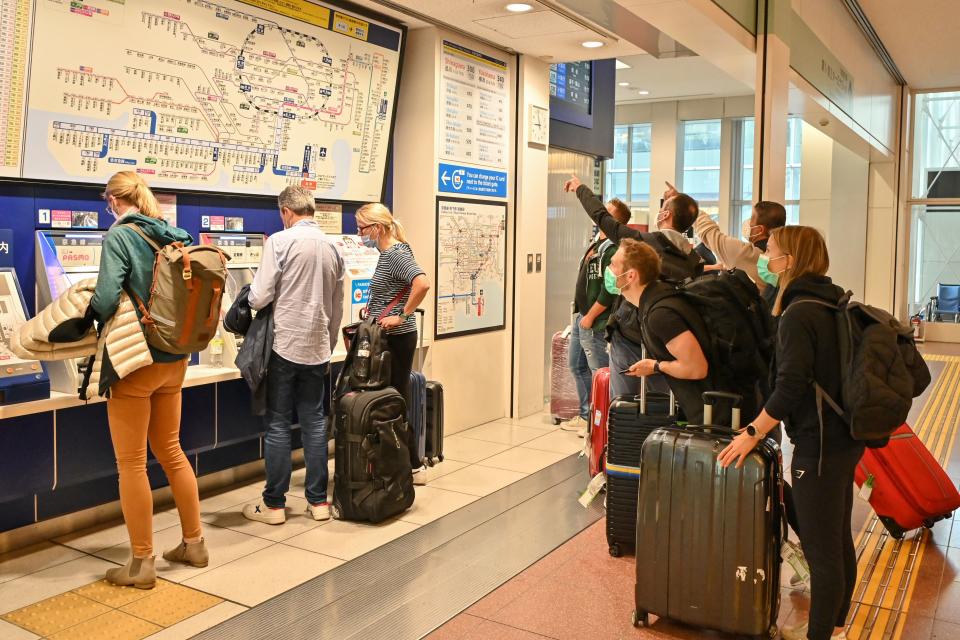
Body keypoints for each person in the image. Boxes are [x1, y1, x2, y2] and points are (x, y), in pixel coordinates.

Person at [718, 226, 858, 640]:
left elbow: (790, 385)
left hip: (819, 445)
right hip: (841, 437)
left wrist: (751, 431)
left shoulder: (799, 313)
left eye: (771, 251)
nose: (764, 256)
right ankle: (837, 621)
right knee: (835, 535)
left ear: (790, 261)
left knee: (821, 549)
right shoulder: (829, 300)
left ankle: (820, 635)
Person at [91, 171, 206, 589]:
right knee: (172, 451)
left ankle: (141, 563)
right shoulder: (174, 234)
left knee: (132, 463)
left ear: (114, 202)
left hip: (136, 362)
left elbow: (104, 299)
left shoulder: (121, 237)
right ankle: (194, 543)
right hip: (175, 358)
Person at [243, 186, 344, 525]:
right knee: (315, 423)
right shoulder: (334, 247)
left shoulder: (280, 242)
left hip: (284, 345)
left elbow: (259, 296)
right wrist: (327, 345)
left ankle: (273, 506)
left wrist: (249, 301)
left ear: (285, 211)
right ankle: (318, 503)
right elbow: (337, 305)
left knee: (278, 424)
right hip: (317, 348)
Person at [563, 175, 700, 402]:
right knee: (659, 402)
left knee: (623, 403)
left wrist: (580, 189)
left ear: (665, 214)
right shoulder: (693, 259)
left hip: (630, 335)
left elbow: (601, 216)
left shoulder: (642, 243)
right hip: (665, 339)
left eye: (664, 208)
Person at [356, 203, 431, 481]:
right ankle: (402, 461)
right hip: (389, 337)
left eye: (362, 228)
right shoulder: (388, 252)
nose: (360, 233)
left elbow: (422, 283)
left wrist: (402, 315)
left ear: (376, 228)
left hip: (397, 338)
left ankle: (412, 464)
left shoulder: (395, 253)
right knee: (392, 398)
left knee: (394, 400)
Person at [606, 238, 712, 423]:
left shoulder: (660, 314)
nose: (608, 269)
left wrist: (655, 366)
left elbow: (697, 368)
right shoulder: (652, 300)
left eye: (613, 265)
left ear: (631, 276)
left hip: (710, 409)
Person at [561, 199, 630, 435]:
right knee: (576, 365)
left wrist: (590, 316)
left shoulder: (612, 248)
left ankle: (599, 423)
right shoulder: (596, 244)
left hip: (596, 320)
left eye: (606, 213)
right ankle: (585, 415)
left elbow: (610, 289)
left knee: (597, 371)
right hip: (581, 316)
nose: (598, 215)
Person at [693, 195, 787, 304]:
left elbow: (709, 233)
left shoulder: (746, 254)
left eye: (752, 218)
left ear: (760, 229)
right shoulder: (783, 257)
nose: (748, 222)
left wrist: (689, 207)